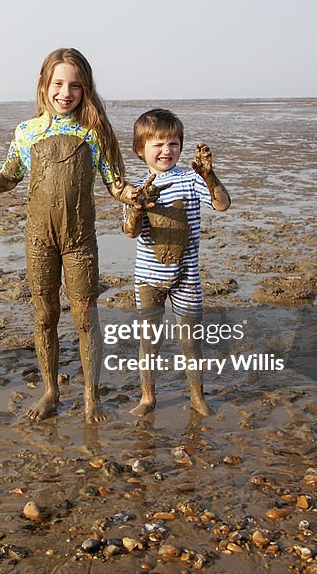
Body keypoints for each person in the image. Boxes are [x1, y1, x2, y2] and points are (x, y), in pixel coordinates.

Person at [0, 48, 153, 422]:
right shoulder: (27, 132)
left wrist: (135, 195)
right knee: (44, 316)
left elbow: (115, 183)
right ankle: (51, 391)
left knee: (85, 317)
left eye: (75, 86)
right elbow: (9, 178)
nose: (66, 92)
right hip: (39, 240)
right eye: (58, 84)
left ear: (86, 90)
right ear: (44, 86)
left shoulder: (93, 133)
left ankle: (92, 397)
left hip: (79, 240)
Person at [122, 108, 231, 417]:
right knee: (149, 341)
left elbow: (222, 205)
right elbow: (130, 233)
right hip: (149, 278)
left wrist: (209, 176)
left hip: (186, 277)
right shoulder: (138, 188)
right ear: (140, 150)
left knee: (190, 340)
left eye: (173, 143)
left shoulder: (192, 180)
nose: (166, 150)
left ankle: (197, 396)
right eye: (157, 144)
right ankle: (148, 397)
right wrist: (137, 208)